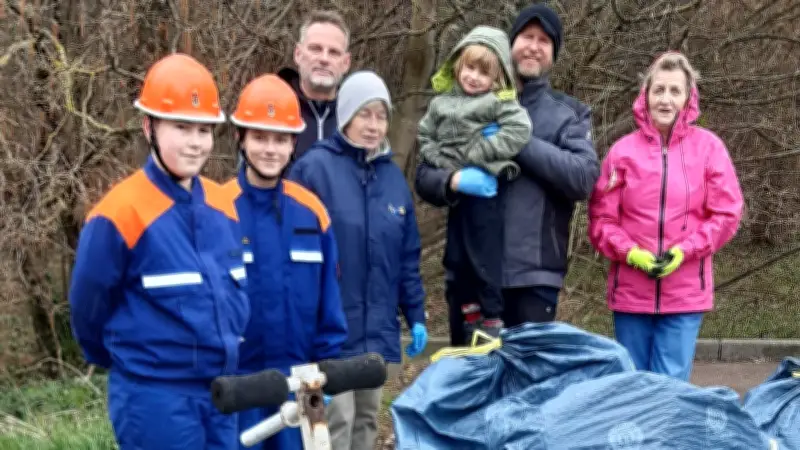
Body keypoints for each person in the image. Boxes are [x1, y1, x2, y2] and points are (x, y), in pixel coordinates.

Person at [68, 53, 249, 450]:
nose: (195, 142)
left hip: (222, 392)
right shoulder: (119, 214)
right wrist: (129, 362)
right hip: (155, 398)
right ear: (149, 126)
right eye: (182, 128)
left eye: (204, 130)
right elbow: (87, 309)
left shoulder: (224, 207)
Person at [415, 4, 600, 345]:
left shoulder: (568, 114)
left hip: (531, 278)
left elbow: (582, 178)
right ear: (509, 44)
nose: (533, 46)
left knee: (528, 392)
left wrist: (518, 143)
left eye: (544, 40)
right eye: (526, 36)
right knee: (473, 389)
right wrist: (451, 181)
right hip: (469, 273)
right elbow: (424, 172)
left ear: (553, 53)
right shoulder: (461, 101)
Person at [287, 70, 428, 450]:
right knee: (332, 426)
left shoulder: (393, 179)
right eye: (364, 114)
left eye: (381, 115)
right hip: (331, 333)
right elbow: (296, 259)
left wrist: (415, 314)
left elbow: (406, 258)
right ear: (347, 115)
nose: (373, 125)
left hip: (377, 332)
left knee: (366, 422)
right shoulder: (314, 169)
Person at [587, 51, 744, 381]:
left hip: (684, 295)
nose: (666, 99)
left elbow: (727, 214)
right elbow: (601, 219)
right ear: (645, 95)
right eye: (658, 90)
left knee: (670, 391)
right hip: (630, 294)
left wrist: (684, 251)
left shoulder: (709, 148)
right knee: (632, 387)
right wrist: (630, 252)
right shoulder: (622, 152)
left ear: (688, 97)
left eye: (675, 91)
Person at [222, 74, 349, 449]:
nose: (270, 149)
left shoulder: (311, 212)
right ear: (241, 138)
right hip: (238, 384)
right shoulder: (215, 210)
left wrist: (326, 373)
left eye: (280, 139)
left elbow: (330, 302)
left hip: (304, 380)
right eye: (260, 137)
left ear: (294, 143)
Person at [416, 25, 532, 340]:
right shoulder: (441, 104)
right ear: (458, 65)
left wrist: (481, 152)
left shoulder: (497, 102)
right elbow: (425, 136)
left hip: (486, 187)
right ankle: (466, 308)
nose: (474, 77)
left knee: (484, 249)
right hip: (458, 186)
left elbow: (520, 129)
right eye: (470, 68)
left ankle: (491, 313)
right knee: (456, 254)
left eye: (484, 72)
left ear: (496, 78)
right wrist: (445, 164)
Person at [278, 10, 352, 160]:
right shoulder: (274, 109)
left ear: (346, 63)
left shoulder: (355, 118)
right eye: (315, 49)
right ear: (298, 54)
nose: (324, 59)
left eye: (334, 52)